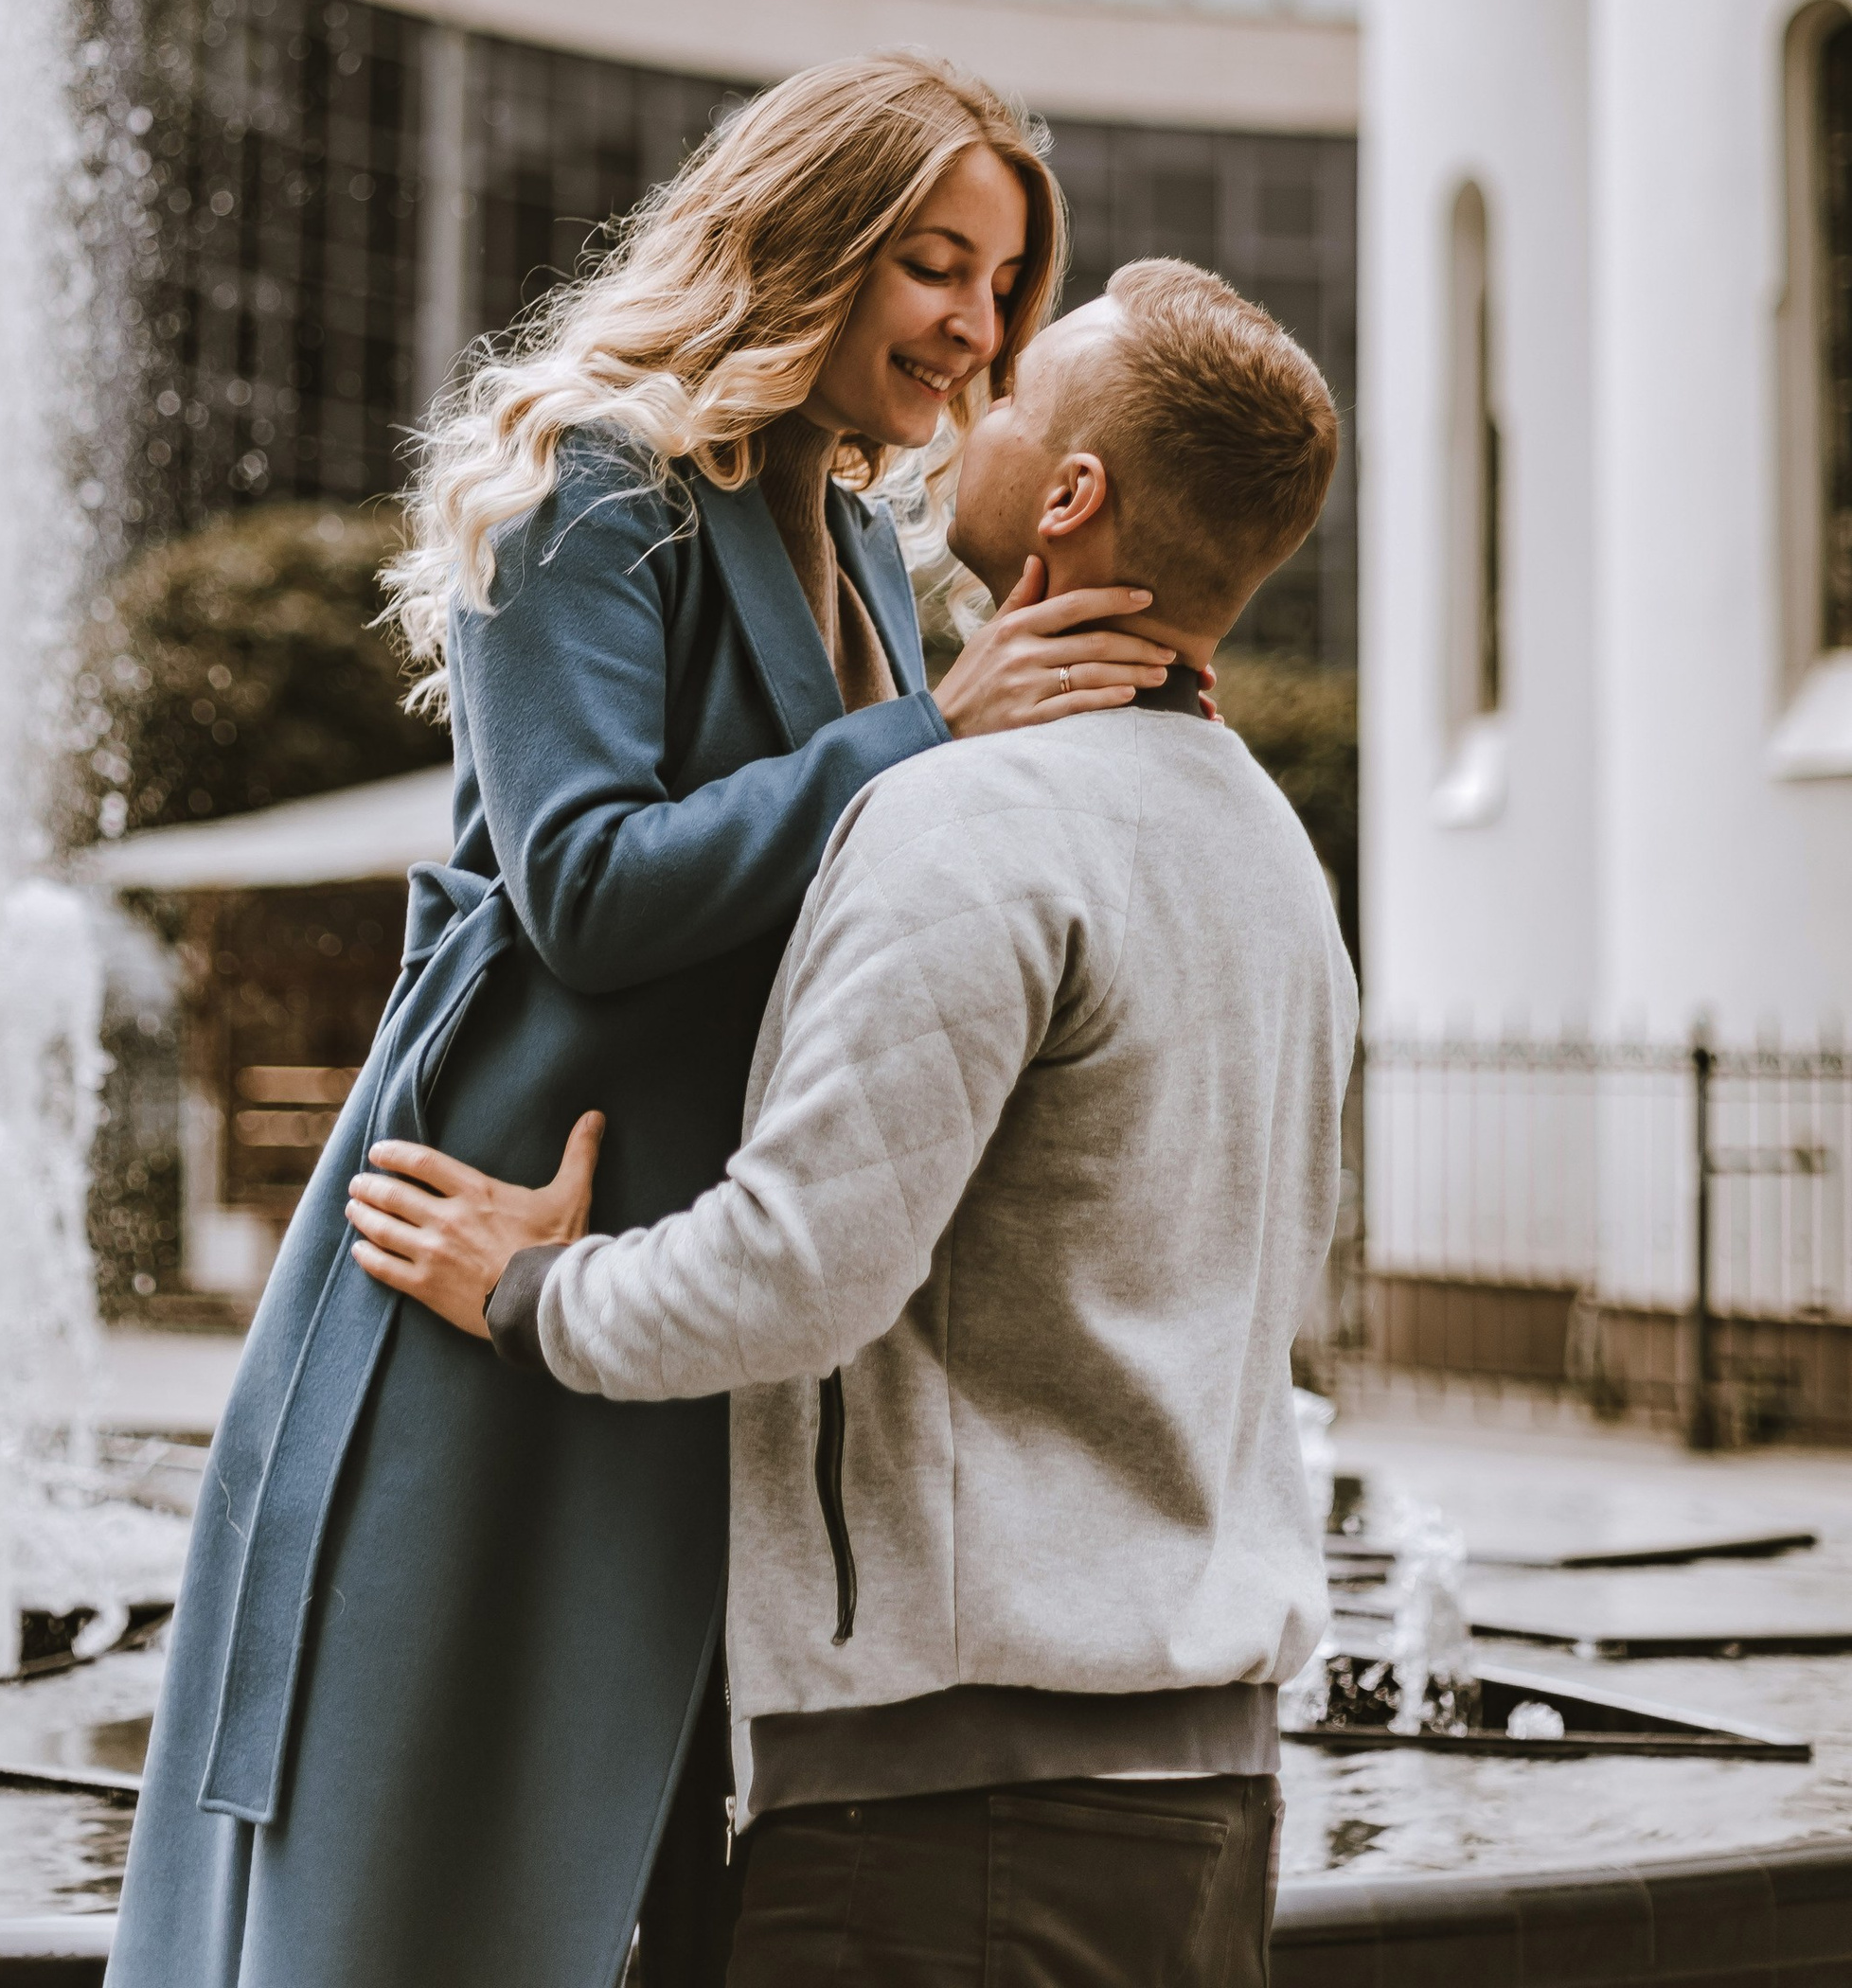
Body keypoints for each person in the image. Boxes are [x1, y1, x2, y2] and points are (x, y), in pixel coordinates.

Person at [108, 54, 1188, 1988]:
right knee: (422, 1864)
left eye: (1006, 286)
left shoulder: (860, 538)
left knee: (655, 1849)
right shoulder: (590, 479)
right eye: (936, 264)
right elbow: (587, 894)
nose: (976, 325)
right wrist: (936, 725)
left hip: (669, 1291)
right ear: (814, 239)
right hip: (483, 1260)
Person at [348, 256, 1359, 1988]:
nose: (976, 389)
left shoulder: (969, 824)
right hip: (1200, 1802)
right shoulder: (1273, 854)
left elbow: (797, 1273)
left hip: (955, 1829)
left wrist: (529, 1287)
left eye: (1022, 388)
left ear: (1070, 496)